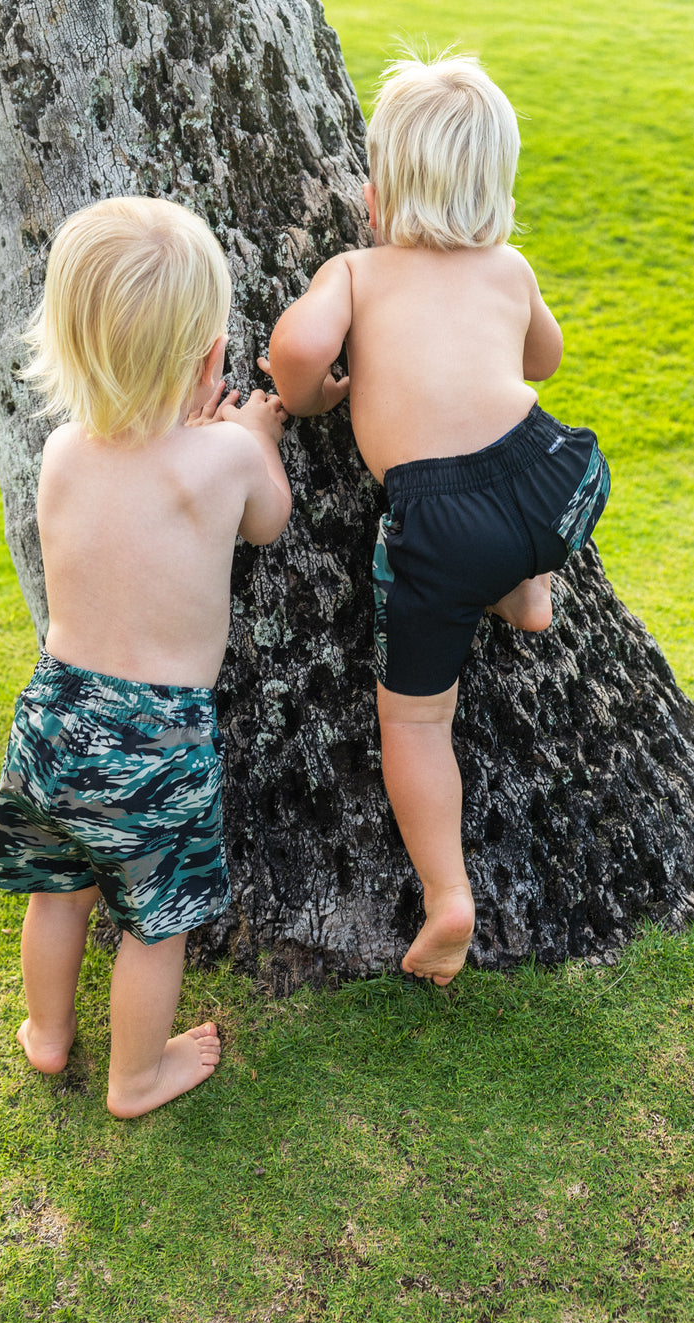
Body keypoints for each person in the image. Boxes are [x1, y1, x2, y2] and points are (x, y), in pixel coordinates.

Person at [259, 52, 609, 986]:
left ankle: (448, 896)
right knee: (518, 514)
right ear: (497, 188)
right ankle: (528, 593)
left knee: (415, 723)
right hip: (556, 481)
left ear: (378, 197)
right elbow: (546, 362)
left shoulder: (359, 271)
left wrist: (318, 395)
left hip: (436, 520)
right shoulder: (509, 266)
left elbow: (292, 348)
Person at [0, 196, 291, 1115]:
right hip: (155, 739)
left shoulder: (63, 451)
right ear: (208, 360)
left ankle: (48, 1034)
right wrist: (257, 436)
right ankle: (137, 1075)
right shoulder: (222, 461)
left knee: (60, 896)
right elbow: (269, 522)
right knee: (158, 927)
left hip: (52, 715)